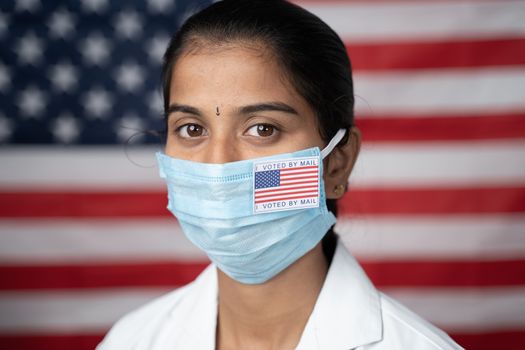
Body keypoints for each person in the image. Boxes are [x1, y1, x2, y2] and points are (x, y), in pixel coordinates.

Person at [97, 0, 463, 349]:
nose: (218, 166)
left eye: (263, 129)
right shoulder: (131, 341)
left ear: (337, 162)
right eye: (192, 129)